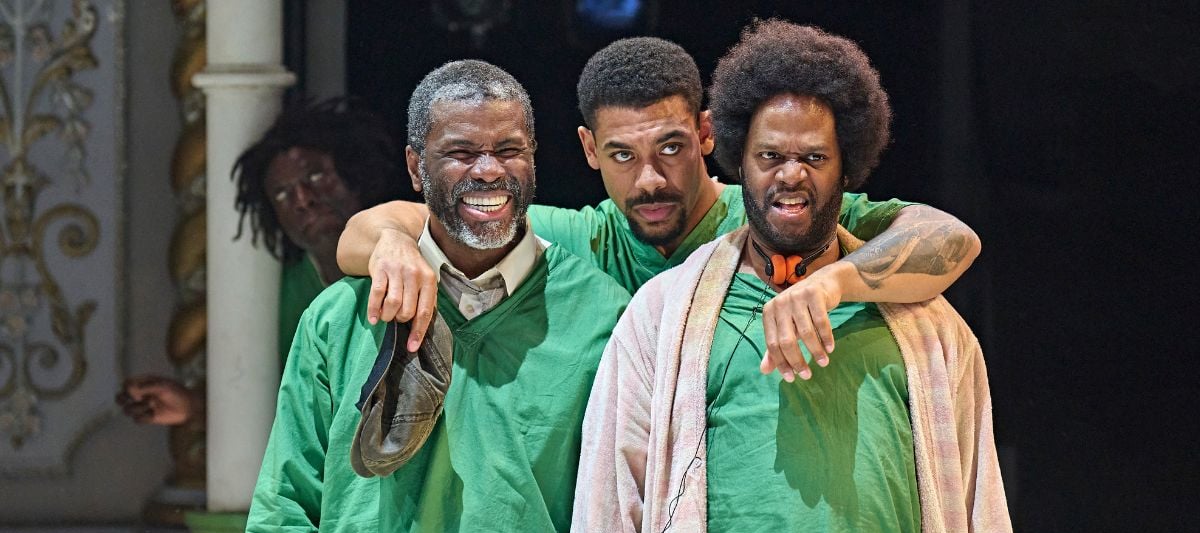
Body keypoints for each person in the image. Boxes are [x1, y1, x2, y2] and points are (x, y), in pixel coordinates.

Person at [563, 20, 1025, 533]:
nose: (790, 173)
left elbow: (981, 526)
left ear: (847, 165)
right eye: (769, 155)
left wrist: (831, 287)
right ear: (736, 159)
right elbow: (609, 520)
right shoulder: (660, 317)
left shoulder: (927, 327)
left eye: (814, 156)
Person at [335, 36, 981, 382]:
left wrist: (835, 283)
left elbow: (949, 238)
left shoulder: (773, 212)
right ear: (588, 150)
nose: (650, 180)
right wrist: (393, 247)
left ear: (705, 134)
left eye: (671, 147)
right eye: (621, 155)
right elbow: (371, 230)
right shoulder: (584, 238)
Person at [243, 60, 629, 533]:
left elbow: (623, 527)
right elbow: (286, 512)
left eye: (510, 149)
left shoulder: (604, 318)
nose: (489, 170)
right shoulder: (341, 318)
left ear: (534, 158)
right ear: (415, 166)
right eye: (461, 152)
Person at [115, 98, 403, 426]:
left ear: (355, 172)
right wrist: (194, 406)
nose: (303, 199)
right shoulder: (277, 295)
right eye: (282, 193)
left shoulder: (412, 256)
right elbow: (273, 399)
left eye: (316, 175)